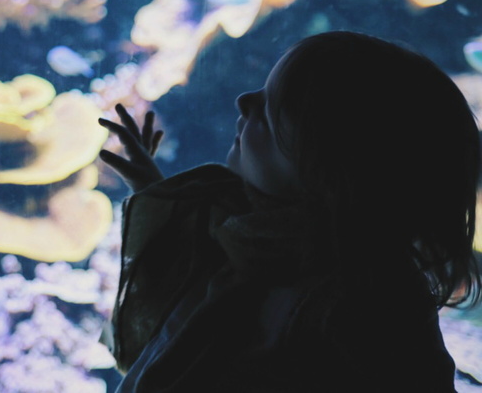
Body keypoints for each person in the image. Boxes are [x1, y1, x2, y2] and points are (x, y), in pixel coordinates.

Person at [98, 31, 481, 392]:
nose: (243, 101)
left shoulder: (369, 304)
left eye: (269, 108)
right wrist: (152, 191)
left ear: (331, 167)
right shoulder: (255, 232)